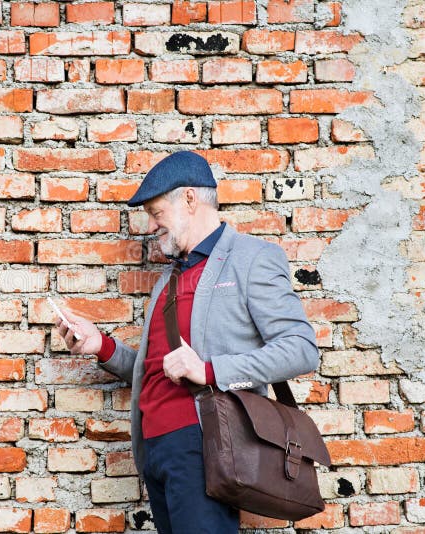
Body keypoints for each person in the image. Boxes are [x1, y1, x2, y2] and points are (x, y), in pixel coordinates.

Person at [54, 151, 320, 534]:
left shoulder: (252, 258)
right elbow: (159, 371)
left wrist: (209, 370)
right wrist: (102, 347)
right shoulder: (168, 280)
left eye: (156, 212)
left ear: (190, 200)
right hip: (156, 453)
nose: (150, 226)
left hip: (204, 447)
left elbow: (300, 348)